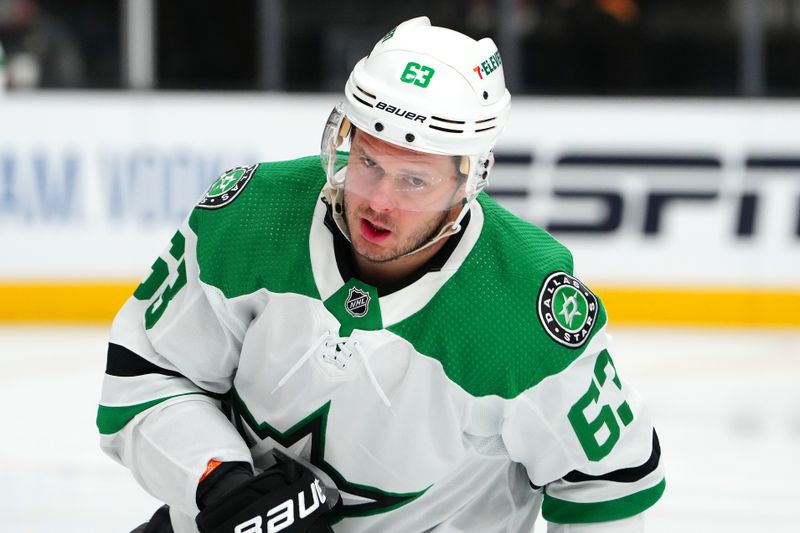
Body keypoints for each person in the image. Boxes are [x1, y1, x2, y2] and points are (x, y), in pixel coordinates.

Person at [98, 16, 664, 533]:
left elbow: (609, 486)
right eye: (368, 162)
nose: (379, 202)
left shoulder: (525, 308)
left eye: (414, 181)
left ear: (469, 181)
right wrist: (219, 484)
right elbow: (146, 374)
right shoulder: (252, 216)